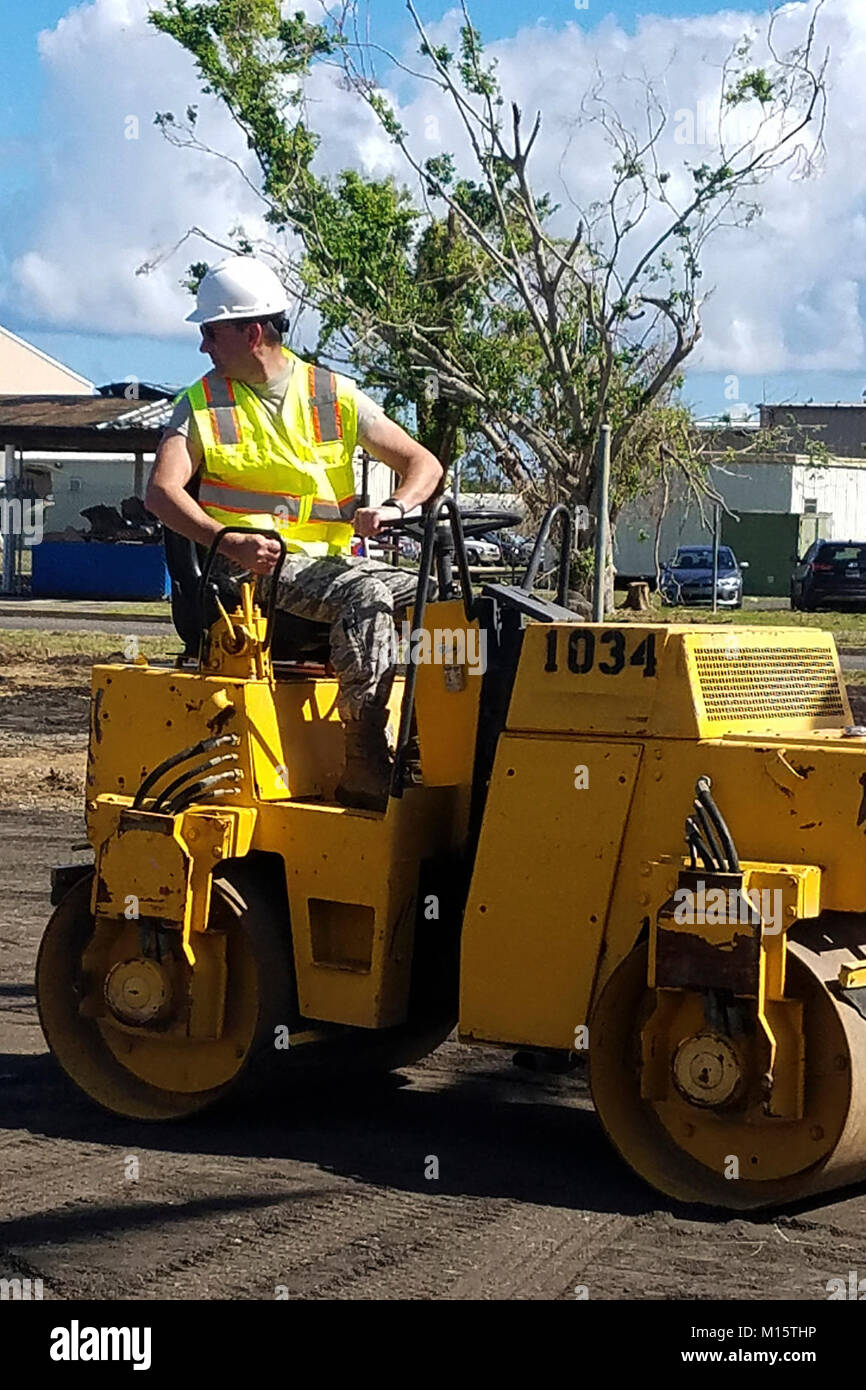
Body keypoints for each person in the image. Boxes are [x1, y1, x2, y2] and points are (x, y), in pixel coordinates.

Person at [146, 255, 443, 812]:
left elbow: (422, 463)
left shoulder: (332, 394)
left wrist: (397, 507)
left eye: (210, 332)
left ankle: (434, 739)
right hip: (247, 577)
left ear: (252, 331)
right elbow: (162, 492)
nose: (203, 347)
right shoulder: (201, 404)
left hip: (329, 567)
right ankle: (364, 755)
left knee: (446, 596)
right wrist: (224, 539)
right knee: (366, 594)